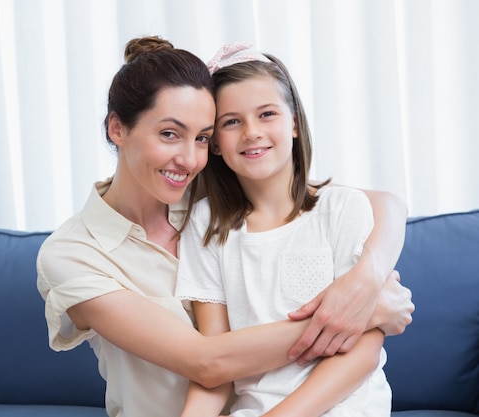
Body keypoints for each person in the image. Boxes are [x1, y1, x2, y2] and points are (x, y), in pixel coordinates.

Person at [36, 36, 413, 417]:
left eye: (202, 137)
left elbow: (383, 203)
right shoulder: (72, 254)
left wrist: (368, 277)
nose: (188, 158)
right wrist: (363, 312)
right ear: (117, 128)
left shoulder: (208, 194)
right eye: (169, 133)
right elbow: (207, 363)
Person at [175, 42, 398, 417]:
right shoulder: (205, 224)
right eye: (232, 121)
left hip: (347, 407)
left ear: (294, 122)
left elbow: (362, 353)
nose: (251, 132)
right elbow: (218, 366)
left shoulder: (342, 209)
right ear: (214, 143)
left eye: (266, 114)